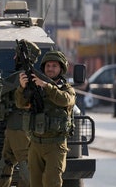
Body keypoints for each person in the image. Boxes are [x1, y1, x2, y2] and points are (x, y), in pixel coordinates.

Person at [15, 50, 76, 187]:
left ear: (61, 69)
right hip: (35, 143)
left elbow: (65, 100)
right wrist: (22, 88)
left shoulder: (66, 89)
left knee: (52, 182)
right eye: (48, 66)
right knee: (35, 183)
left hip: (55, 145)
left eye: (54, 66)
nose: (50, 69)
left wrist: (46, 86)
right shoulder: (36, 88)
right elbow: (20, 103)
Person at [0, 40, 40, 187]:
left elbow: (1, 88)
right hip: (13, 126)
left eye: (17, 55)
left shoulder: (23, 75)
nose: (14, 58)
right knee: (6, 163)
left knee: (25, 163)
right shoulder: (24, 75)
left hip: (20, 127)